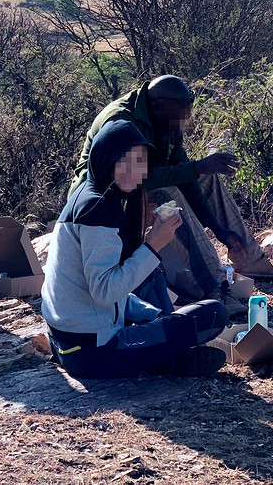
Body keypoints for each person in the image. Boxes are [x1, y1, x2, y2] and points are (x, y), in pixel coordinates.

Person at [71, 76, 273, 307]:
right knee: (167, 193)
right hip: (104, 202)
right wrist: (196, 167)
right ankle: (213, 285)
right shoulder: (121, 120)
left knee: (205, 177)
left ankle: (247, 257)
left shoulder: (165, 119)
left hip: (133, 191)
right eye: (178, 117)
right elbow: (127, 178)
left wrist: (220, 230)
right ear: (156, 106)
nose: (181, 124)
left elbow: (186, 177)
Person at [42, 119, 229, 378]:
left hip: (67, 341)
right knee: (213, 315)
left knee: (151, 276)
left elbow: (96, 288)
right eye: (124, 161)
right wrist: (153, 245)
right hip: (92, 350)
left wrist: (152, 316)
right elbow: (105, 291)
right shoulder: (96, 209)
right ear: (106, 158)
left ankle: (161, 349)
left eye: (140, 161)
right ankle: (168, 360)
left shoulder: (89, 194)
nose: (133, 170)